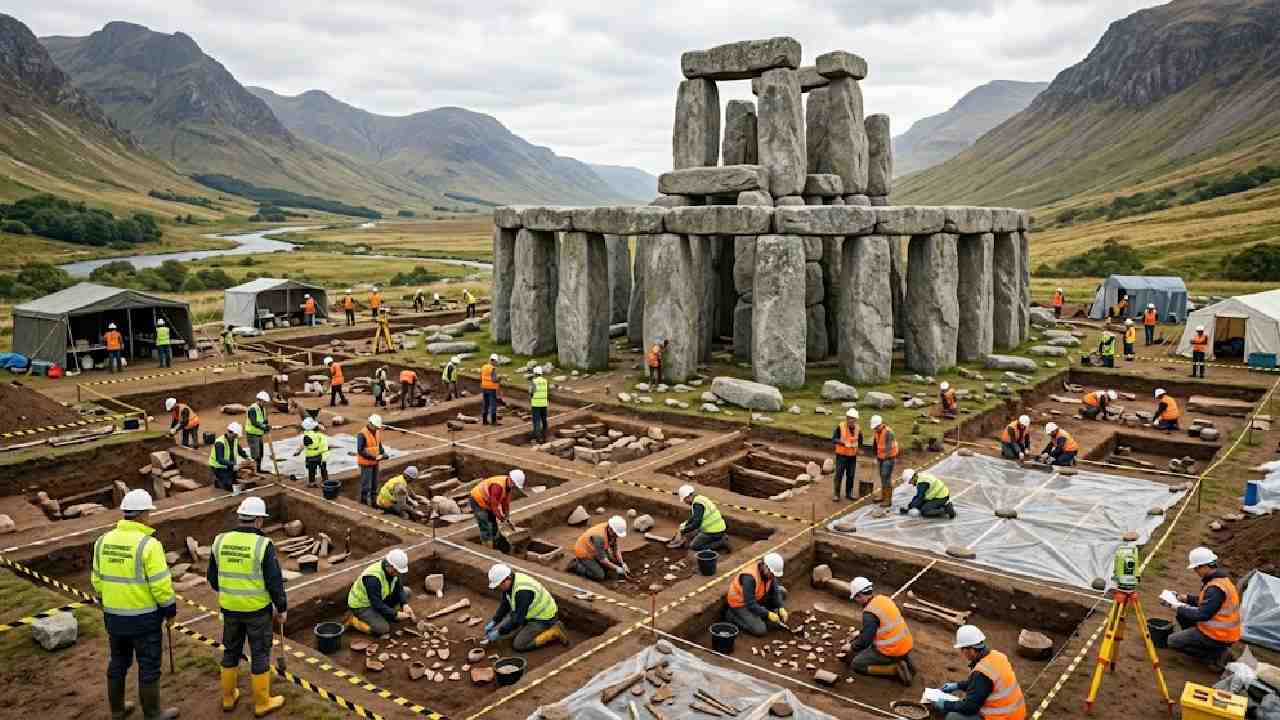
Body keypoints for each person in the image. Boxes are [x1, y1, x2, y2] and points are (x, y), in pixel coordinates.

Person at [93, 489, 179, 720]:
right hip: (144, 619)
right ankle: (153, 714)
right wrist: (169, 609)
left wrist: (113, 600)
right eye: (149, 513)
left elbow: (97, 581)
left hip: (113, 617)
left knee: (118, 661)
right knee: (149, 665)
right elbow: (161, 586)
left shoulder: (103, 541)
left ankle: (117, 710)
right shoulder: (149, 545)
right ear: (142, 515)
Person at [209, 496, 287, 716]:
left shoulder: (220, 541)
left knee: (231, 650)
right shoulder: (263, 545)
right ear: (259, 521)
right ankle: (262, 703)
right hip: (257, 612)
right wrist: (281, 608)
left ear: (240, 517)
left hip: (229, 609)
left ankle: (227, 698)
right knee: (260, 653)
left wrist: (232, 592)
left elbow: (213, 580)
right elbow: (274, 582)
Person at [1162, 547, 1240, 669]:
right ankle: (1207, 646)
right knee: (1183, 615)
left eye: (1196, 568)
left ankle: (1216, 656)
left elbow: (1202, 615)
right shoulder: (1220, 580)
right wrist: (1184, 598)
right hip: (1222, 631)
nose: (1195, 571)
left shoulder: (1215, 587)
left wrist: (1175, 606)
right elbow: (1207, 602)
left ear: (1204, 566)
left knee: (1172, 641)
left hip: (1219, 635)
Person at [933, 625, 1026, 720]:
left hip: (1004, 717)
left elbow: (969, 708)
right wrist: (957, 685)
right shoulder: (997, 656)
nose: (961, 652)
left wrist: (945, 704)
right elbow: (982, 685)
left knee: (952, 717)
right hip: (1015, 713)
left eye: (962, 649)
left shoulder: (982, 673)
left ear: (971, 649)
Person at [845, 576, 915, 685]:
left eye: (856, 598)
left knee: (857, 664)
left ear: (860, 595)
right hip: (906, 644)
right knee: (876, 647)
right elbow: (882, 625)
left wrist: (852, 646)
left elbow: (865, 642)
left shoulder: (869, 614)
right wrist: (860, 633)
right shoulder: (883, 599)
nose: (856, 601)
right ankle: (905, 661)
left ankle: (894, 669)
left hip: (891, 650)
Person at [483, 563, 570, 650]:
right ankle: (525, 627)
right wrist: (495, 621)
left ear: (507, 579)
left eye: (499, 585)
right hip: (529, 614)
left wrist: (499, 632)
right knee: (507, 629)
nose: (499, 587)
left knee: (519, 644)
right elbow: (505, 604)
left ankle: (554, 632)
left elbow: (517, 619)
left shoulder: (522, 592)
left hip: (543, 618)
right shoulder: (511, 582)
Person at [345, 550, 413, 638]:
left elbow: (399, 588)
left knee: (406, 591)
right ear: (389, 566)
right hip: (362, 605)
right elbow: (377, 604)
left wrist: (405, 604)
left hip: (379, 599)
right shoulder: (373, 578)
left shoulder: (393, 572)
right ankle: (353, 620)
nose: (397, 574)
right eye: (396, 571)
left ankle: (386, 615)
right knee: (383, 629)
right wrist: (395, 614)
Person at [724, 553, 788, 638]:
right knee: (760, 630)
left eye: (774, 575)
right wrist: (767, 614)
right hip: (740, 604)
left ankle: (762, 613)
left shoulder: (769, 574)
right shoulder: (749, 578)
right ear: (765, 566)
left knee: (782, 592)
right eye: (772, 574)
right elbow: (751, 604)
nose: (773, 577)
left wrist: (781, 607)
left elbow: (775, 590)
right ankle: (732, 616)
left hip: (756, 598)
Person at [470, 470, 525, 548]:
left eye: (515, 485)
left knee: (493, 524)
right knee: (485, 525)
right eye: (513, 484)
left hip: (487, 502)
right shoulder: (498, 487)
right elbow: (494, 506)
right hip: (477, 500)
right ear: (510, 479)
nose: (513, 486)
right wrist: (502, 518)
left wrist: (507, 517)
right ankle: (487, 548)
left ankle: (496, 544)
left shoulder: (508, 487)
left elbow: (505, 504)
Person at [569, 515, 629, 581]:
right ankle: (576, 565)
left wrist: (622, 563)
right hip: (584, 552)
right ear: (611, 529)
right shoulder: (599, 537)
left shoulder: (609, 529)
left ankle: (594, 564)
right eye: (616, 534)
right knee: (600, 575)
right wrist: (617, 568)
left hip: (595, 549)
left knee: (612, 561)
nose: (617, 536)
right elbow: (602, 560)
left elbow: (616, 548)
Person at [675, 484, 729, 551]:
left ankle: (721, 543)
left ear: (688, 496)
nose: (685, 502)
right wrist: (686, 523)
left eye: (685, 499)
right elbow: (694, 517)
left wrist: (683, 531)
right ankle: (721, 537)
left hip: (713, 531)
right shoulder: (700, 499)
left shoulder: (697, 505)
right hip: (720, 528)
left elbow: (696, 523)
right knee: (693, 534)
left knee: (695, 546)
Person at [356, 415, 388, 506]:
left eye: (377, 427)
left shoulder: (377, 431)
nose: (376, 428)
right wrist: (374, 457)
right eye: (375, 426)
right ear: (370, 423)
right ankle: (364, 502)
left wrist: (383, 453)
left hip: (375, 462)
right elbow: (360, 450)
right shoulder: (362, 434)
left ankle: (374, 503)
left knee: (375, 483)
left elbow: (379, 445)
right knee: (366, 484)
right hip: (366, 463)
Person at [831, 408, 862, 501]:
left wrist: (858, 449)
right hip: (841, 455)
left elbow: (860, 440)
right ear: (847, 418)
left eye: (853, 419)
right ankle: (836, 494)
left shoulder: (858, 429)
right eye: (849, 418)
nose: (851, 420)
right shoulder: (840, 427)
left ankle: (849, 493)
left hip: (852, 456)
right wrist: (842, 443)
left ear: (855, 419)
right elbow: (834, 439)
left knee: (851, 475)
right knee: (839, 474)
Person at [209, 422, 251, 491]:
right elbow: (220, 459)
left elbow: (240, 451)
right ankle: (218, 482)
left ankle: (227, 478)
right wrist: (232, 465)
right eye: (235, 435)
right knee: (228, 485)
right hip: (218, 467)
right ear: (230, 433)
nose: (236, 437)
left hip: (230, 465)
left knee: (235, 479)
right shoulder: (220, 443)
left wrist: (247, 457)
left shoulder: (234, 440)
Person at [869, 415, 898, 506]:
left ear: (881, 424)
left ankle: (888, 500)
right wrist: (876, 457)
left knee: (886, 478)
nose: (875, 429)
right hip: (881, 458)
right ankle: (883, 496)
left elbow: (888, 449)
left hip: (888, 458)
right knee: (882, 477)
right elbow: (875, 445)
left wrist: (881, 459)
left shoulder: (889, 433)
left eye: (876, 427)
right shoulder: (877, 432)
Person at [293, 417, 330, 488]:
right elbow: (323, 429)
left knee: (312, 470)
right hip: (321, 455)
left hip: (313, 456)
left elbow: (303, 444)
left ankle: (313, 482)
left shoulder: (308, 435)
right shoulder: (317, 433)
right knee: (322, 468)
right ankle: (325, 481)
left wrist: (298, 451)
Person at [245, 391, 271, 473]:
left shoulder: (262, 408)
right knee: (255, 454)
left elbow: (264, 420)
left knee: (260, 453)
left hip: (259, 434)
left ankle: (258, 469)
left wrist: (266, 425)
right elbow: (254, 422)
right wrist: (263, 427)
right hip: (252, 434)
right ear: (259, 400)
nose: (265, 404)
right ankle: (254, 471)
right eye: (264, 402)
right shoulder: (253, 409)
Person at [529, 367, 549, 443]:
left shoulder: (534, 381)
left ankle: (538, 437)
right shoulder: (545, 381)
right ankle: (545, 436)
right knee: (544, 420)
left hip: (536, 404)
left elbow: (531, 392)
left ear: (535, 373)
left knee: (536, 421)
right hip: (544, 403)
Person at [480, 353, 501, 425]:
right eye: (496, 361)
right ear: (493, 361)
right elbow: (494, 379)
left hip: (484, 387)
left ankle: (484, 421)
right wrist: (499, 378)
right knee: (493, 404)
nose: (496, 363)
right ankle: (494, 421)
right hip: (491, 388)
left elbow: (483, 377)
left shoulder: (484, 367)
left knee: (485, 404)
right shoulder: (492, 368)